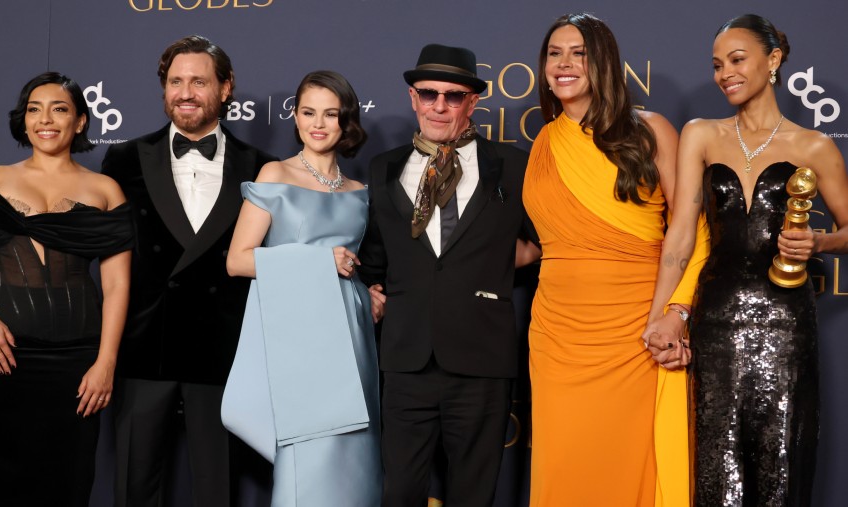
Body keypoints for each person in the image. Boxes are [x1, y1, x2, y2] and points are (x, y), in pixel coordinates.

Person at [648, 14, 848, 505]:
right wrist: (663, 314)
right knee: (717, 472)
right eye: (717, 65)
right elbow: (680, 237)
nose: (725, 74)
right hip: (715, 320)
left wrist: (819, 244)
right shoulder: (700, 133)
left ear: (773, 60)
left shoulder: (814, 145)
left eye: (737, 60)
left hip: (786, 323)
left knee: (781, 466)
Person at [523, 13, 710, 506]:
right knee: (562, 469)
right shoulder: (544, 142)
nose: (564, 64)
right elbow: (546, 243)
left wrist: (673, 313)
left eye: (578, 53)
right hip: (556, 336)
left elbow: (692, 233)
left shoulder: (650, 130)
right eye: (555, 53)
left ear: (602, 61)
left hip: (635, 333)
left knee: (626, 468)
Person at [357, 43, 537, 506]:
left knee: (473, 494)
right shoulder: (384, 168)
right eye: (429, 94)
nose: (439, 105)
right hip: (405, 357)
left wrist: (494, 262)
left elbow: (542, 245)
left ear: (473, 102)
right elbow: (376, 256)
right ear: (413, 98)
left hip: (482, 356)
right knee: (399, 492)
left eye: (453, 96)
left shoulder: (514, 165)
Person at [100, 35, 276, 506]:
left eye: (199, 81)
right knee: (134, 486)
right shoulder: (122, 159)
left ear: (225, 87)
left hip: (223, 352)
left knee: (217, 487)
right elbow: (94, 246)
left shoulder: (262, 168)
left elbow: (278, 258)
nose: (185, 92)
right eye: (175, 81)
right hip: (142, 349)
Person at [0, 72, 132, 506]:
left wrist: (106, 361)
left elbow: (118, 283)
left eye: (60, 109)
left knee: (65, 482)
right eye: (34, 109)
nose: (45, 119)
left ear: (81, 122)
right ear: (23, 120)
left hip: (75, 362)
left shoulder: (105, 190)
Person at [220, 70, 380, 506]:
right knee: (307, 453)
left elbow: (355, 265)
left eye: (331, 114)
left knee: (355, 450)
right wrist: (318, 261)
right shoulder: (276, 174)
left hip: (349, 331)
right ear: (295, 117)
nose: (318, 123)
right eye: (308, 112)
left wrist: (370, 293)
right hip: (297, 335)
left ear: (347, 122)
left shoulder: (359, 191)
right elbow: (238, 260)